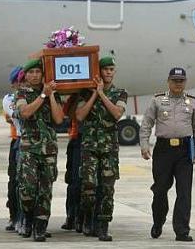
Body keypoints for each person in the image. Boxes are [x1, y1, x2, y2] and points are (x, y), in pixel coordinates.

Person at [139, 67, 195, 242]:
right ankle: (158, 221)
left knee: (184, 191)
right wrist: (144, 145)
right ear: (168, 81)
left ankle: (182, 230)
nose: (178, 84)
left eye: (181, 80)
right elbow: (146, 124)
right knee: (160, 189)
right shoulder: (158, 100)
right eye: (175, 80)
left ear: (185, 82)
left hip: (184, 151)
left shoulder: (193, 102)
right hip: (163, 150)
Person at [76, 56, 128, 241]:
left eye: (111, 69)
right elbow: (80, 116)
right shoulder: (85, 93)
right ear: (99, 72)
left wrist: (102, 94)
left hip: (109, 149)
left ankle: (103, 226)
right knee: (88, 187)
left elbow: (116, 114)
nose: (108, 72)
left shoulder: (120, 93)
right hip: (90, 147)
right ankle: (88, 219)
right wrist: (94, 94)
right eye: (105, 69)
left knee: (107, 189)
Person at [15, 59, 64, 241]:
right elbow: (25, 113)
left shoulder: (53, 94)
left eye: (38, 72)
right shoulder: (21, 93)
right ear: (26, 75)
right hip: (29, 149)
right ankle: (27, 217)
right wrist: (42, 95)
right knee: (27, 189)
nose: (35, 75)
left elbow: (59, 119)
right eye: (31, 72)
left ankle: (40, 227)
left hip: (49, 149)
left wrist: (51, 95)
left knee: (45, 190)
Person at [2, 66, 23, 232]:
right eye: (19, 81)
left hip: (36, 142)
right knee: (15, 182)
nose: (22, 84)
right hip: (19, 142)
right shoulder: (9, 99)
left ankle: (28, 219)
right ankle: (14, 216)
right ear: (13, 84)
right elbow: (18, 115)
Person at [61, 94, 83, 232]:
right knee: (74, 182)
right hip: (77, 140)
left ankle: (84, 218)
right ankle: (72, 216)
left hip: (93, 141)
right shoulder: (75, 98)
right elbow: (67, 114)